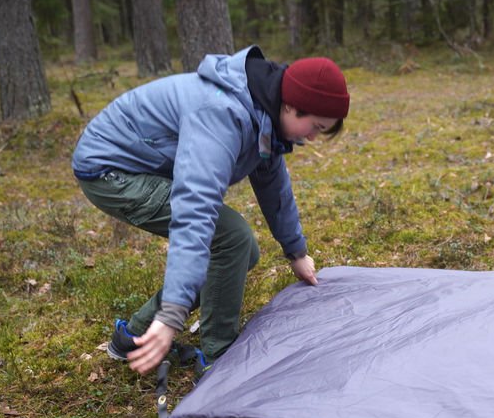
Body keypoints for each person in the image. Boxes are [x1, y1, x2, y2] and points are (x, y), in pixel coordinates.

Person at [71, 46, 349, 378]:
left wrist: (296, 250)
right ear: (290, 106)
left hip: (145, 161)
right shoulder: (222, 113)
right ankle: (219, 365)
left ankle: (135, 335)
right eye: (315, 126)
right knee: (231, 238)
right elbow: (194, 212)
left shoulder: (265, 113)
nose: (314, 138)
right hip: (110, 169)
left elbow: (273, 184)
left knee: (244, 252)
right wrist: (173, 313)